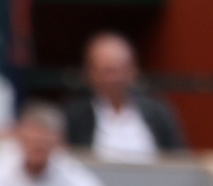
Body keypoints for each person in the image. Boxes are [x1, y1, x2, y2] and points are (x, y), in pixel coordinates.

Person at [63, 33, 183, 162]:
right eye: (107, 71)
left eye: (119, 70)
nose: (113, 79)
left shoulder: (158, 112)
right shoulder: (74, 116)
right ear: (90, 73)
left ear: (133, 70)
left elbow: (180, 159)